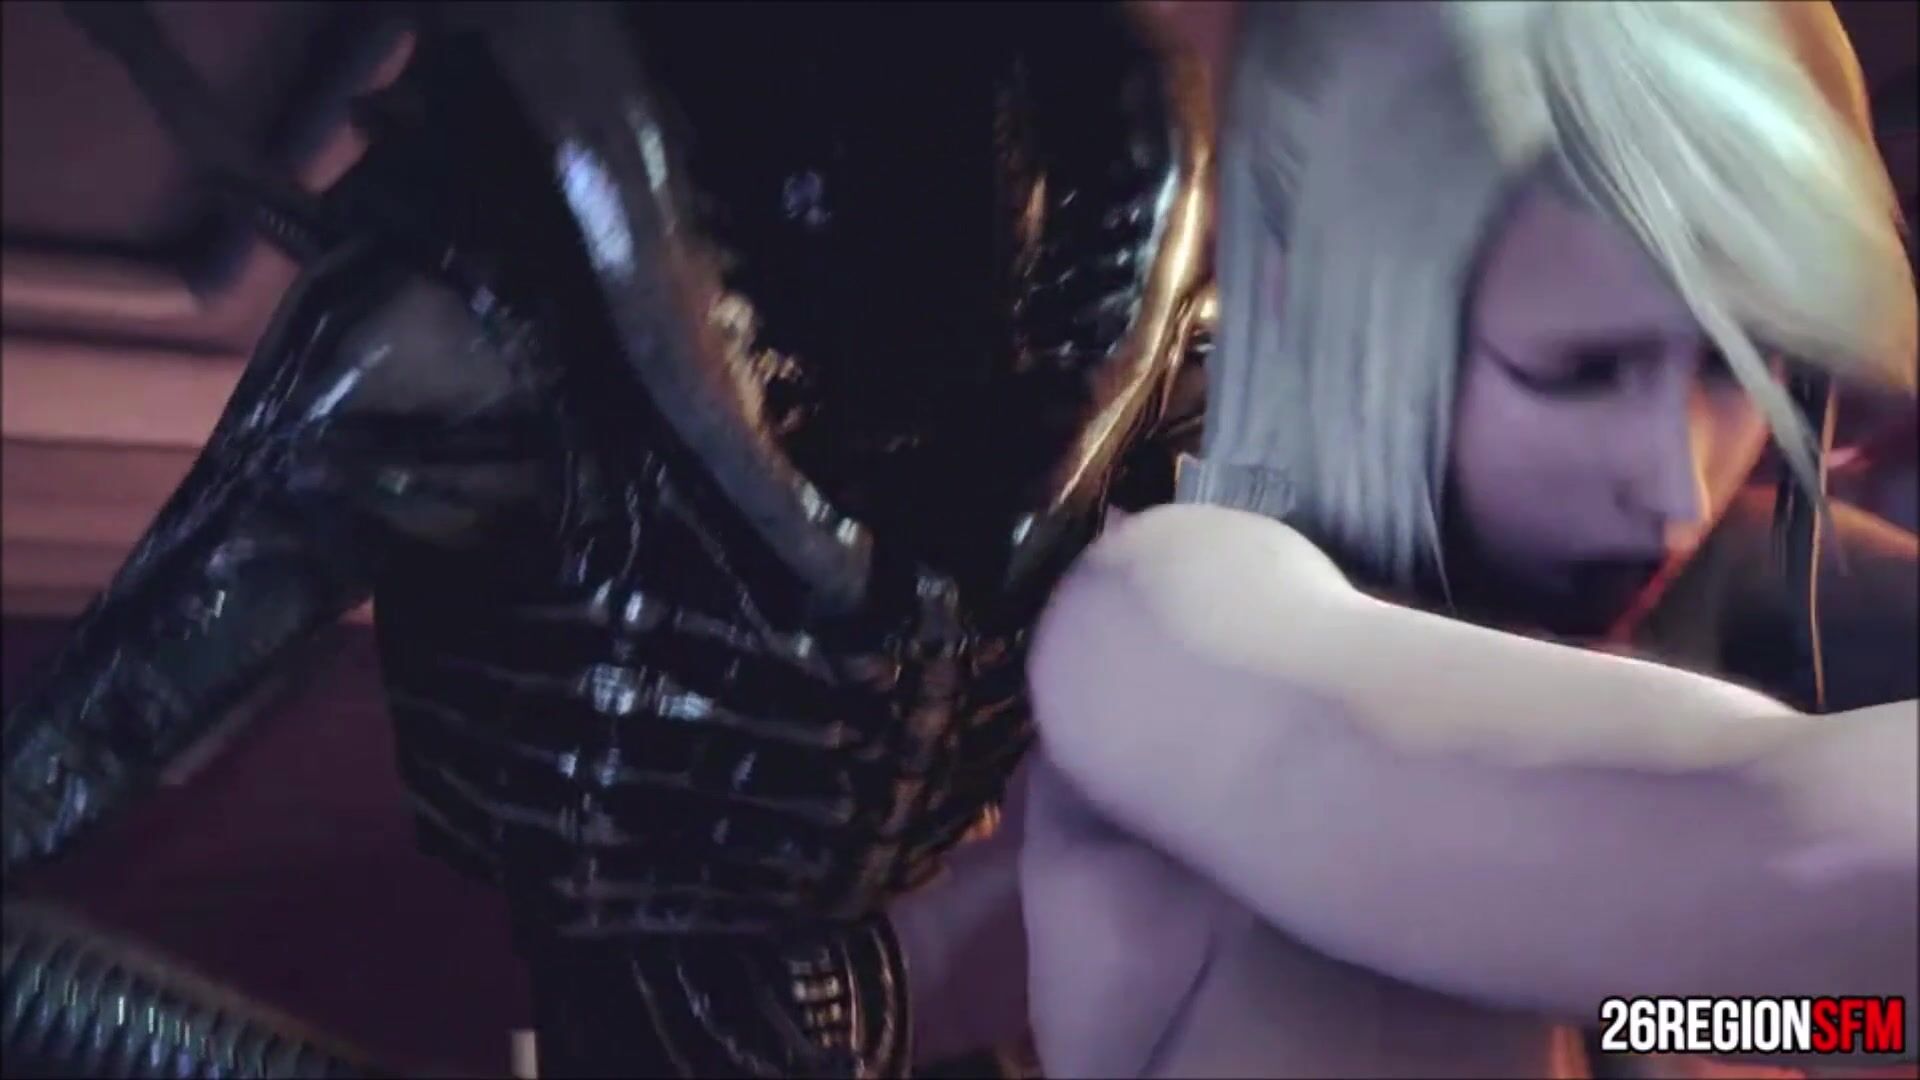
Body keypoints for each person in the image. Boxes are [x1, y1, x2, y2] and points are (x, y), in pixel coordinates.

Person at [0, 4, 1214, 1076]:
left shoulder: (1103, 317)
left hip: (863, 950)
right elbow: (96, 731)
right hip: (653, 951)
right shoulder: (458, 338)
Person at [1019, 2, 1918, 1077]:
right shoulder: (1159, 631)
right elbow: (1773, 845)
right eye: (1577, 373)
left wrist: (1836, 1034)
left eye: (1736, 368)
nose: (1676, 488)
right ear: (1330, 307)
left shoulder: (1698, 590)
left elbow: (1730, 997)